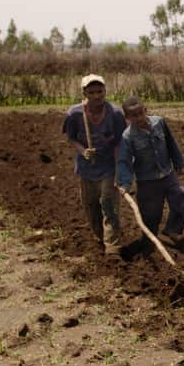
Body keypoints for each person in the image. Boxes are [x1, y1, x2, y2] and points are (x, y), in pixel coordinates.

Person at [61, 74, 126, 255]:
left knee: (109, 205)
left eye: (100, 91)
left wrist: (119, 169)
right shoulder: (74, 114)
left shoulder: (115, 113)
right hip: (86, 168)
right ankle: (100, 236)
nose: (97, 96)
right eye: (92, 92)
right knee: (91, 206)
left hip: (108, 167)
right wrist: (83, 151)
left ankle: (112, 246)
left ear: (105, 91)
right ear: (84, 93)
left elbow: (120, 142)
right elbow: (71, 138)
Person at [117, 96, 184, 250]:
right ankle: (149, 240)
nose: (138, 118)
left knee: (180, 197)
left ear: (146, 110)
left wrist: (179, 163)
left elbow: (171, 143)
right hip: (147, 181)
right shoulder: (128, 137)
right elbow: (124, 161)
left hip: (167, 174)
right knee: (151, 214)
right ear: (127, 118)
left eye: (140, 113)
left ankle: (172, 229)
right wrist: (125, 183)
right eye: (133, 116)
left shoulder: (159, 122)